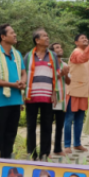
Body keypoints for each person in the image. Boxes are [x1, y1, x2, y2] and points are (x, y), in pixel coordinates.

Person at [0, 24, 26, 159]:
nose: (15, 35)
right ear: (3, 37)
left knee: (11, 135)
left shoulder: (17, 54)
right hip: (0, 103)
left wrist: (22, 81)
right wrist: (12, 85)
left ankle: (7, 162)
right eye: (12, 33)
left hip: (15, 101)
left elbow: (24, 73)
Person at [23, 29, 65, 160]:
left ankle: (45, 153)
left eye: (47, 35)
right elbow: (23, 75)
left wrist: (54, 93)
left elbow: (56, 75)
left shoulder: (52, 56)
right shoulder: (28, 56)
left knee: (47, 126)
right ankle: (32, 153)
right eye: (44, 36)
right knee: (31, 126)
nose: (47, 38)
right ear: (37, 40)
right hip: (31, 96)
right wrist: (22, 95)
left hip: (47, 96)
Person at [64, 34, 89, 154]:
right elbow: (82, 58)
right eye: (82, 38)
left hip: (83, 91)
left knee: (80, 119)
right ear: (76, 42)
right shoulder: (77, 52)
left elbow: (86, 71)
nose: (85, 39)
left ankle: (77, 143)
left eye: (86, 38)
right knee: (69, 119)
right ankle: (67, 145)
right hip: (74, 90)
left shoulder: (85, 55)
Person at [49, 42, 71, 157]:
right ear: (52, 51)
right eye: (57, 47)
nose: (60, 49)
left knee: (59, 126)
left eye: (60, 47)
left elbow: (68, 82)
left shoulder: (65, 65)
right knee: (47, 125)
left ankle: (57, 148)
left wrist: (66, 75)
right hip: (50, 98)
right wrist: (60, 74)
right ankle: (46, 150)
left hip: (62, 100)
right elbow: (48, 78)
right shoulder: (49, 64)